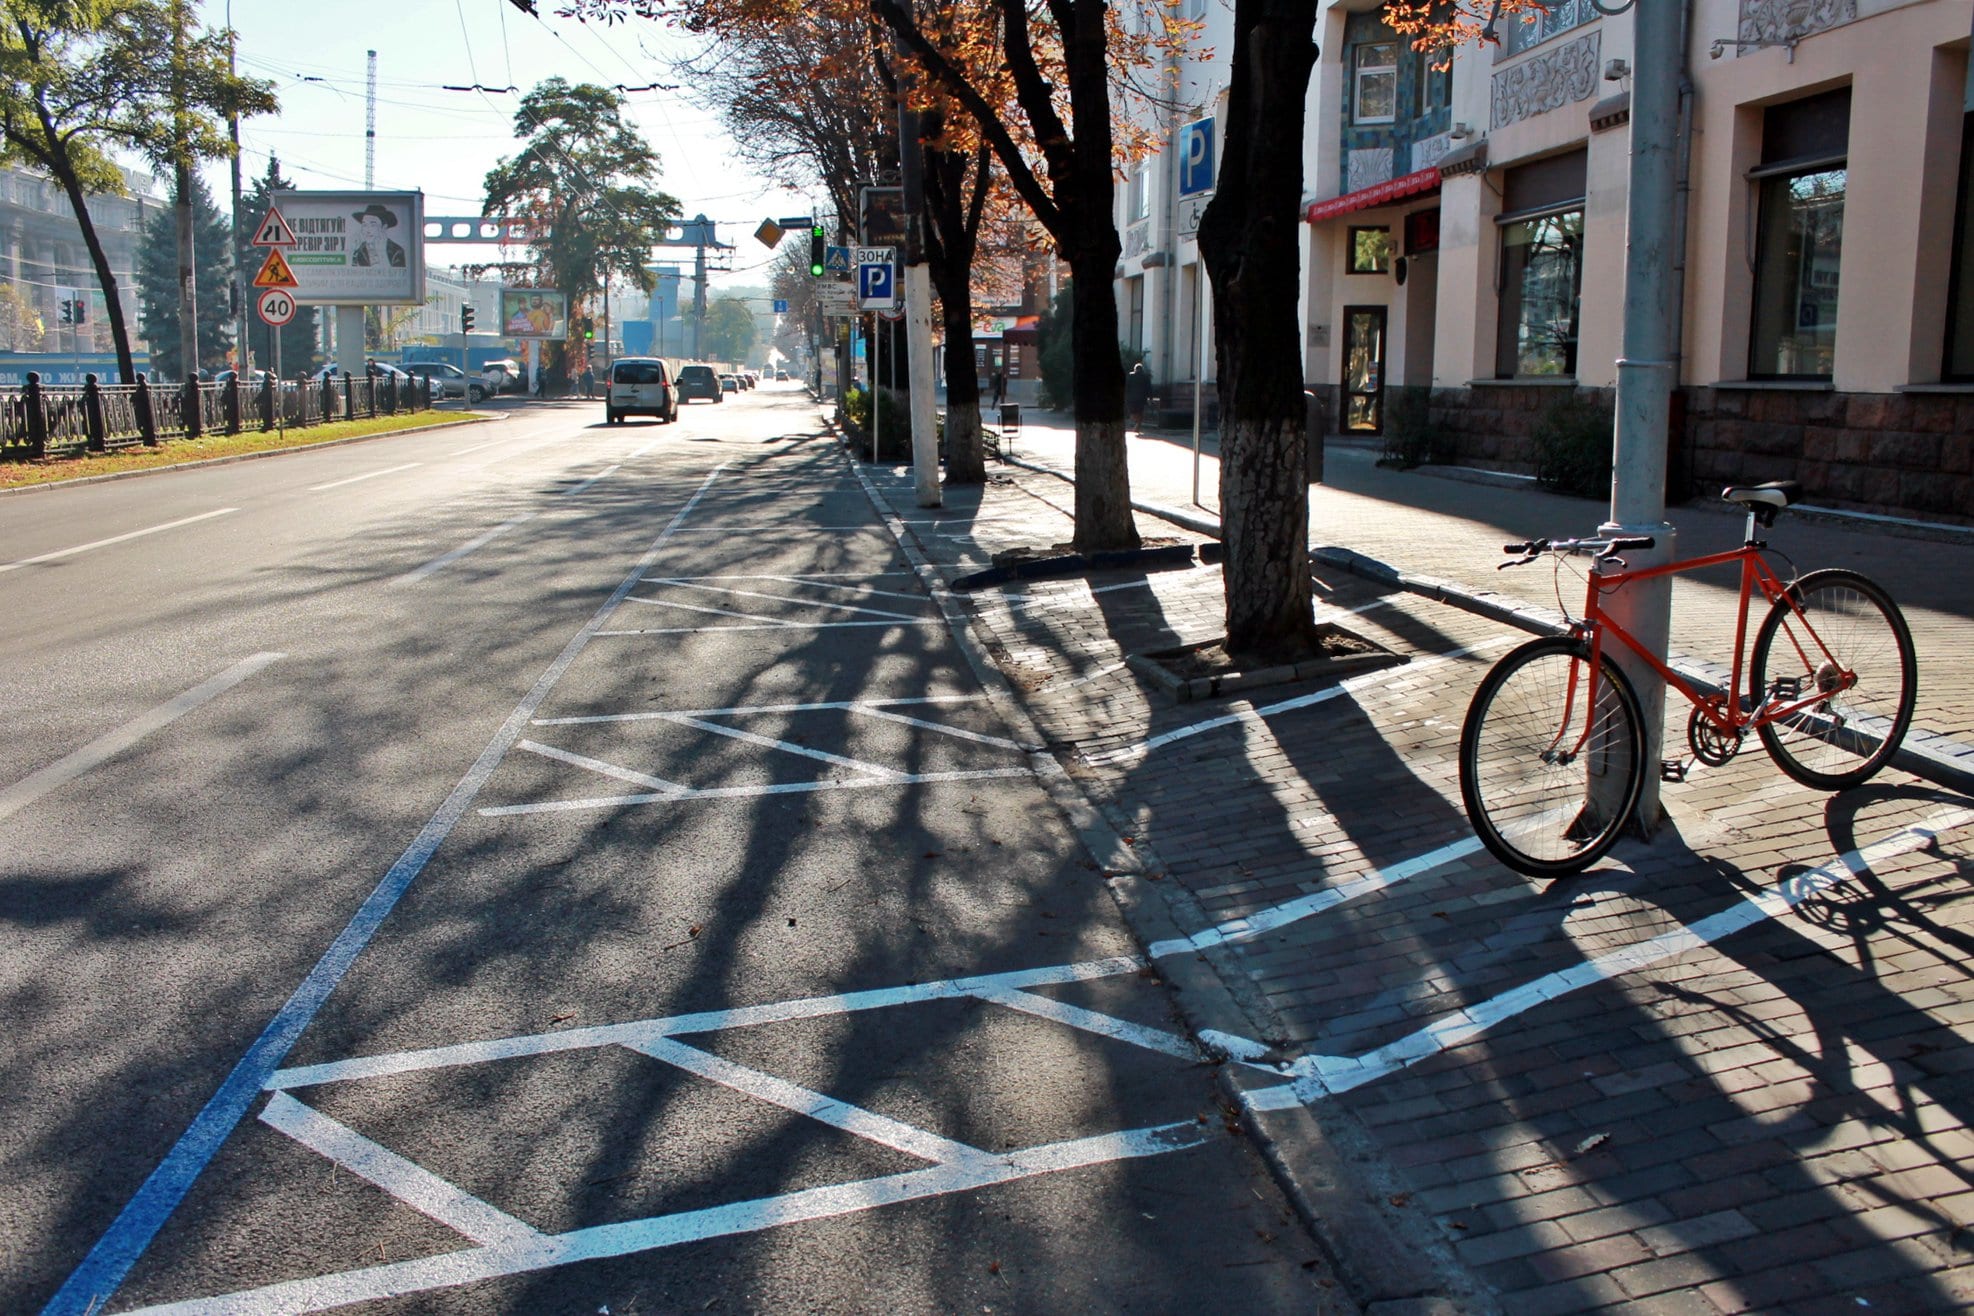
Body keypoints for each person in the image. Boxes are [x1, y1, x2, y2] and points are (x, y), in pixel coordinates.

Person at [1125, 361, 1152, 432]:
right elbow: (1149, 388)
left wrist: (1125, 396)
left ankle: (1137, 424)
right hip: (1141, 399)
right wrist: (1150, 398)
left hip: (1131, 399)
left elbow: (1126, 387)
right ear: (1142, 369)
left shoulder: (1130, 376)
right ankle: (1138, 424)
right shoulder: (1146, 377)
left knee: (1132, 413)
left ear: (1135, 369)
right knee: (1140, 412)